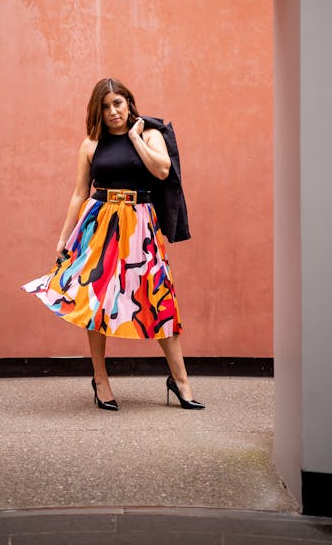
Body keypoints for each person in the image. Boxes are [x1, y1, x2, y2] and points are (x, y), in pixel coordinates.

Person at [22, 77, 204, 411]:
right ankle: (100, 379)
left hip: (141, 229)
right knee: (95, 302)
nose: (112, 112)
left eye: (117, 103)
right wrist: (64, 236)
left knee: (160, 299)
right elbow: (79, 192)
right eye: (105, 107)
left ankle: (180, 381)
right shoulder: (91, 143)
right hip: (100, 226)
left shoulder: (151, 134)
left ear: (129, 103)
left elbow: (162, 171)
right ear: (98, 111)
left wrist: (135, 137)